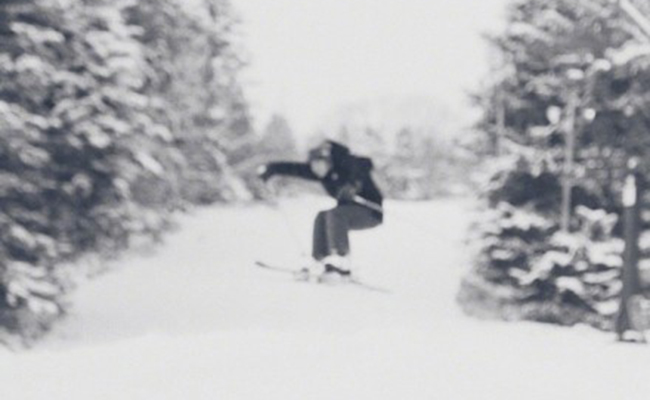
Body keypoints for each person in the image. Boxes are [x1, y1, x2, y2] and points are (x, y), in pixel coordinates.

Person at [259, 140, 383, 282]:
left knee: (334, 214)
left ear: (328, 162)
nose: (316, 169)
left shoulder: (346, 165)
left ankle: (341, 261)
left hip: (371, 211)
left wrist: (354, 184)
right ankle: (319, 260)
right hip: (346, 212)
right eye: (313, 166)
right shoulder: (320, 173)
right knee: (322, 216)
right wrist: (271, 170)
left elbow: (364, 164)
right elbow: (294, 168)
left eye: (319, 164)